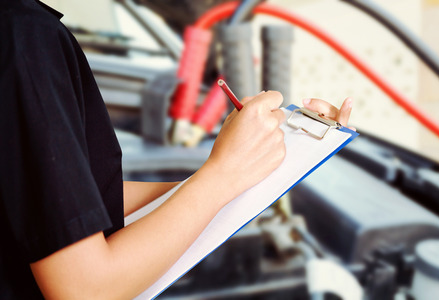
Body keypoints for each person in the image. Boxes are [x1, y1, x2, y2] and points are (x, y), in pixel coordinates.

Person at [0, 0, 353, 299]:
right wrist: (222, 176)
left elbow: (68, 208)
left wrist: (245, 173)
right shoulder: (23, 36)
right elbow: (86, 289)